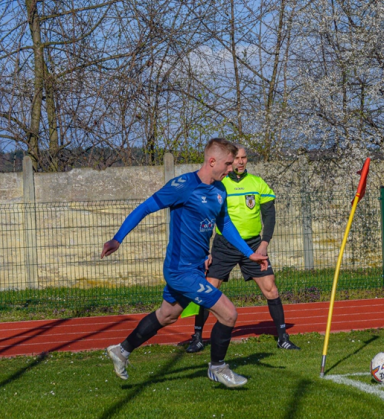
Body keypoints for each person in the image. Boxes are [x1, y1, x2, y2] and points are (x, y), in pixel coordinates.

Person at [100, 138, 268, 388]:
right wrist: (117, 238)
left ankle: (122, 350)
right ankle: (218, 367)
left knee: (167, 315)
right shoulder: (183, 186)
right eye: (228, 164)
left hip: (197, 269)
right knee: (229, 313)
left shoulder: (220, 190)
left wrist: (249, 252)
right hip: (180, 270)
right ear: (212, 161)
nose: (231, 169)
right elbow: (144, 208)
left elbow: (225, 225)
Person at [186, 144, 299, 353]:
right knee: (209, 289)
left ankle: (283, 337)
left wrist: (264, 243)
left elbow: (269, 216)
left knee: (271, 288)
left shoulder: (258, 183)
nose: (240, 161)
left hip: (253, 245)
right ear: (229, 160)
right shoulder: (218, 184)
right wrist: (205, 252)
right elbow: (207, 218)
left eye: (244, 157)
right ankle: (198, 337)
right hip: (223, 246)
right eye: (236, 158)